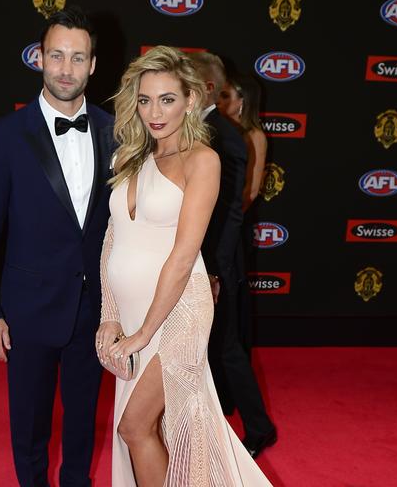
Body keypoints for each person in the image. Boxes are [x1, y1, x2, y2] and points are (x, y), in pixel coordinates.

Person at [95, 45, 271, 486]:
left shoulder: (202, 160)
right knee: (160, 431)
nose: (155, 111)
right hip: (133, 312)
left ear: (191, 100)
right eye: (145, 99)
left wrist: (142, 333)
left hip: (177, 314)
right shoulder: (128, 157)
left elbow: (182, 256)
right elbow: (113, 238)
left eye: (167, 99)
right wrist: (110, 316)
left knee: (134, 427)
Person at [0, 7, 114, 487]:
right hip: (26, 309)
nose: (65, 69)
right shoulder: (3, 137)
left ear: (93, 65)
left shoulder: (120, 132)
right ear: (39, 59)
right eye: (56, 56)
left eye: (77, 57)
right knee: (28, 425)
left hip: (95, 309)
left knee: (82, 423)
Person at [188, 52, 277, 459]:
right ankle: (215, 412)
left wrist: (214, 269)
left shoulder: (223, 135)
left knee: (224, 346)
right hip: (200, 258)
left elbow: (229, 213)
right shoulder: (204, 130)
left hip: (214, 262)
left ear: (204, 88)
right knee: (208, 345)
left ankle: (259, 426)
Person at [217, 73, 267, 213]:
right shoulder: (215, 129)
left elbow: (252, 190)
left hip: (232, 217)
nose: (218, 100)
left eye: (225, 96)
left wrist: (230, 218)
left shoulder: (255, 136)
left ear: (242, 101)